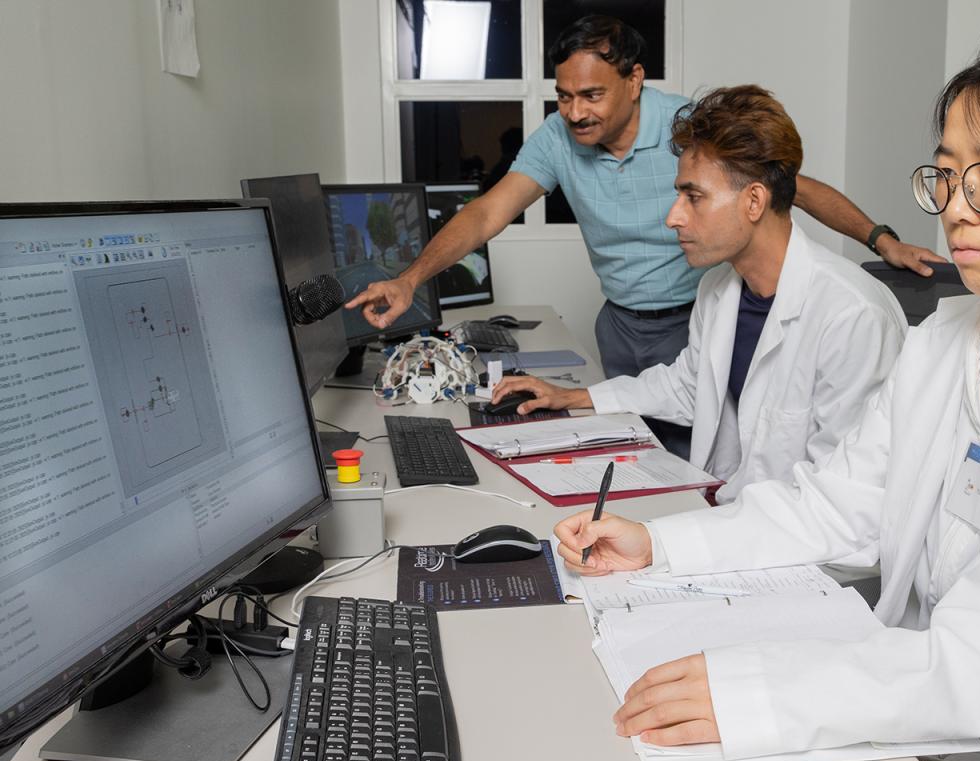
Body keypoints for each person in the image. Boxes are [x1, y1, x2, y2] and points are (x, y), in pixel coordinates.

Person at [552, 25, 980, 761]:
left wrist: (764, 693)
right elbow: (834, 507)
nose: (958, 210)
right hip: (913, 733)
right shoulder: (942, 343)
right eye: (949, 177)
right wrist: (658, 547)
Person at [345, 15, 942, 456]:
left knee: (700, 451)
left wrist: (880, 240)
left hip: (687, 313)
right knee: (644, 454)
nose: (575, 112)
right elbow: (485, 214)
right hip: (623, 324)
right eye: (564, 96)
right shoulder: (558, 139)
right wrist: (410, 279)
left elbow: (793, 186)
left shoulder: (691, 132)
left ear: (634, 81)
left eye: (592, 95)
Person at [488, 85, 906, 504]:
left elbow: (838, 497)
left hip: (808, 549)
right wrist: (576, 397)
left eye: (694, 197)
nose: (672, 217)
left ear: (754, 201)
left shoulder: (853, 314)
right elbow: (687, 386)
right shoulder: (718, 288)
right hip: (733, 514)